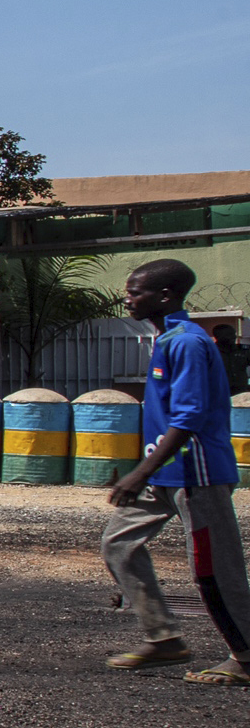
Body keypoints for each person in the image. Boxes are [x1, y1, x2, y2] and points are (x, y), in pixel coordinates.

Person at [102, 258, 249, 685]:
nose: (127, 298)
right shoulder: (167, 339)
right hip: (164, 472)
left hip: (195, 474)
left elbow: (188, 418)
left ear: (164, 296)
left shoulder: (186, 342)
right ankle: (163, 637)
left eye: (135, 291)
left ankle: (245, 657)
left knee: (213, 569)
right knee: (118, 544)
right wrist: (146, 471)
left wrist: (139, 473)